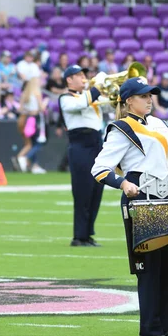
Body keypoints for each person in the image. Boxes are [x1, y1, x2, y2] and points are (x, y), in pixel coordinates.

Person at [91, 76, 168, 336]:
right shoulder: (121, 128)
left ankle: (165, 327)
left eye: (151, 95)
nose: (149, 99)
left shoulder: (158, 123)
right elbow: (99, 169)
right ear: (129, 101)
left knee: (167, 265)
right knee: (148, 266)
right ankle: (149, 329)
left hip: (165, 197)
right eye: (143, 96)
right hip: (140, 199)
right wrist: (123, 183)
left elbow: (157, 164)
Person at [59, 65, 105, 246]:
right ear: (69, 79)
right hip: (80, 144)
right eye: (79, 75)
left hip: (96, 143)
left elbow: (110, 109)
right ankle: (79, 236)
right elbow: (81, 103)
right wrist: (97, 88)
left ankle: (88, 234)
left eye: (84, 74)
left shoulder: (92, 97)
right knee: (82, 190)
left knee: (96, 190)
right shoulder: (65, 98)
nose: (83, 78)